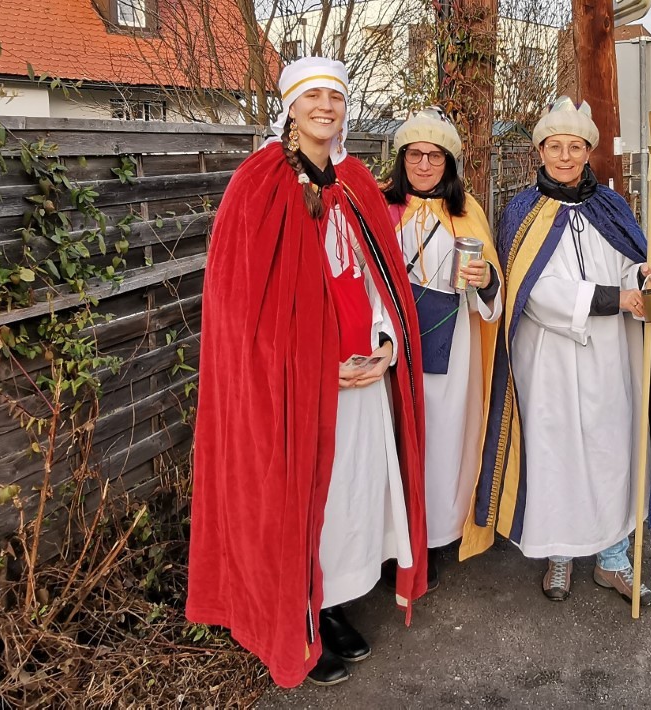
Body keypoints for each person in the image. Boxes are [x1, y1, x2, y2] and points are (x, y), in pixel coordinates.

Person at [186, 57, 428, 689]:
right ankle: (299, 618)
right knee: (302, 499)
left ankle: (332, 603)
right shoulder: (258, 183)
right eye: (313, 96)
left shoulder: (357, 183)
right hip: (297, 388)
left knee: (347, 496)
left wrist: (386, 344)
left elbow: (380, 281)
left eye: (335, 97)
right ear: (290, 107)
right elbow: (243, 306)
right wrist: (316, 367)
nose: (326, 106)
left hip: (361, 377)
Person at [459, 98, 651, 606]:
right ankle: (559, 552)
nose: (564, 156)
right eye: (555, 147)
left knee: (611, 449)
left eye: (575, 147)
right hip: (549, 360)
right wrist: (614, 298)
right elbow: (530, 291)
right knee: (554, 453)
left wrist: (642, 276)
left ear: (588, 152)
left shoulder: (612, 207)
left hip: (609, 358)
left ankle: (613, 558)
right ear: (539, 152)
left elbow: (626, 266)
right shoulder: (521, 212)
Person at [382, 108, 502, 589]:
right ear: (402, 159)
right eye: (415, 154)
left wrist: (486, 279)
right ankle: (392, 539)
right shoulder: (381, 208)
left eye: (435, 156)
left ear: (449, 163)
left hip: (453, 353)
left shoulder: (466, 211)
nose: (424, 164)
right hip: (392, 345)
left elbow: (493, 292)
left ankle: (430, 539)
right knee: (394, 437)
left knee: (442, 441)